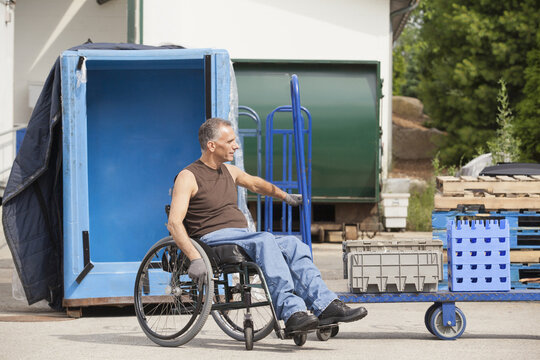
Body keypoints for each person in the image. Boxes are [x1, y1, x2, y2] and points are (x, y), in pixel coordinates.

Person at [167, 117, 367, 334]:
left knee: (292, 244)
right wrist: (195, 258)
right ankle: (291, 312)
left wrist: (284, 196)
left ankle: (326, 305)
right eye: (231, 141)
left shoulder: (229, 171)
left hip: (241, 236)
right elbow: (174, 223)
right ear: (212, 146)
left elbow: (256, 184)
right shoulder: (188, 176)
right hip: (212, 239)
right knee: (264, 240)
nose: (236, 145)